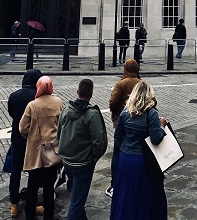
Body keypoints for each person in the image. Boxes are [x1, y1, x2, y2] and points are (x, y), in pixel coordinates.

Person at [110, 81, 167, 220]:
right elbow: (156, 139)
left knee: (125, 196)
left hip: (125, 160)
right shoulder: (151, 114)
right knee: (143, 198)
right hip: (143, 162)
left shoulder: (125, 112)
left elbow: (117, 138)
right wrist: (162, 126)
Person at [57, 79, 108, 220]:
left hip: (67, 160)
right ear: (91, 94)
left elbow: (59, 133)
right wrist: (94, 157)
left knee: (77, 195)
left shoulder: (66, 110)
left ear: (77, 92)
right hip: (83, 163)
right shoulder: (92, 114)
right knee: (77, 203)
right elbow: (99, 141)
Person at [19, 76, 62, 220]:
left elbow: (22, 128)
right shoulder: (57, 102)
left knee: (33, 185)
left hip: (35, 150)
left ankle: (30, 215)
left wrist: (31, 137)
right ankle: (49, 215)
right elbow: (62, 124)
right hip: (51, 150)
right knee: (49, 187)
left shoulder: (32, 105)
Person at [7, 68, 43, 218]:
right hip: (31, 140)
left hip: (17, 139)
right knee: (33, 173)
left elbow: (11, 113)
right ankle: (31, 204)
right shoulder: (37, 97)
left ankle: (14, 205)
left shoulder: (13, 96)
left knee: (15, 171)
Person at [106, 58, 141, 198]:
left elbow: (112, 103)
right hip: (138, 125)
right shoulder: (141, 84)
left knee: (117, 153)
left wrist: (120, 109)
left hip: (122, 124)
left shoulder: (121, 84)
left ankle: (115, 185)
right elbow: (153, 101)